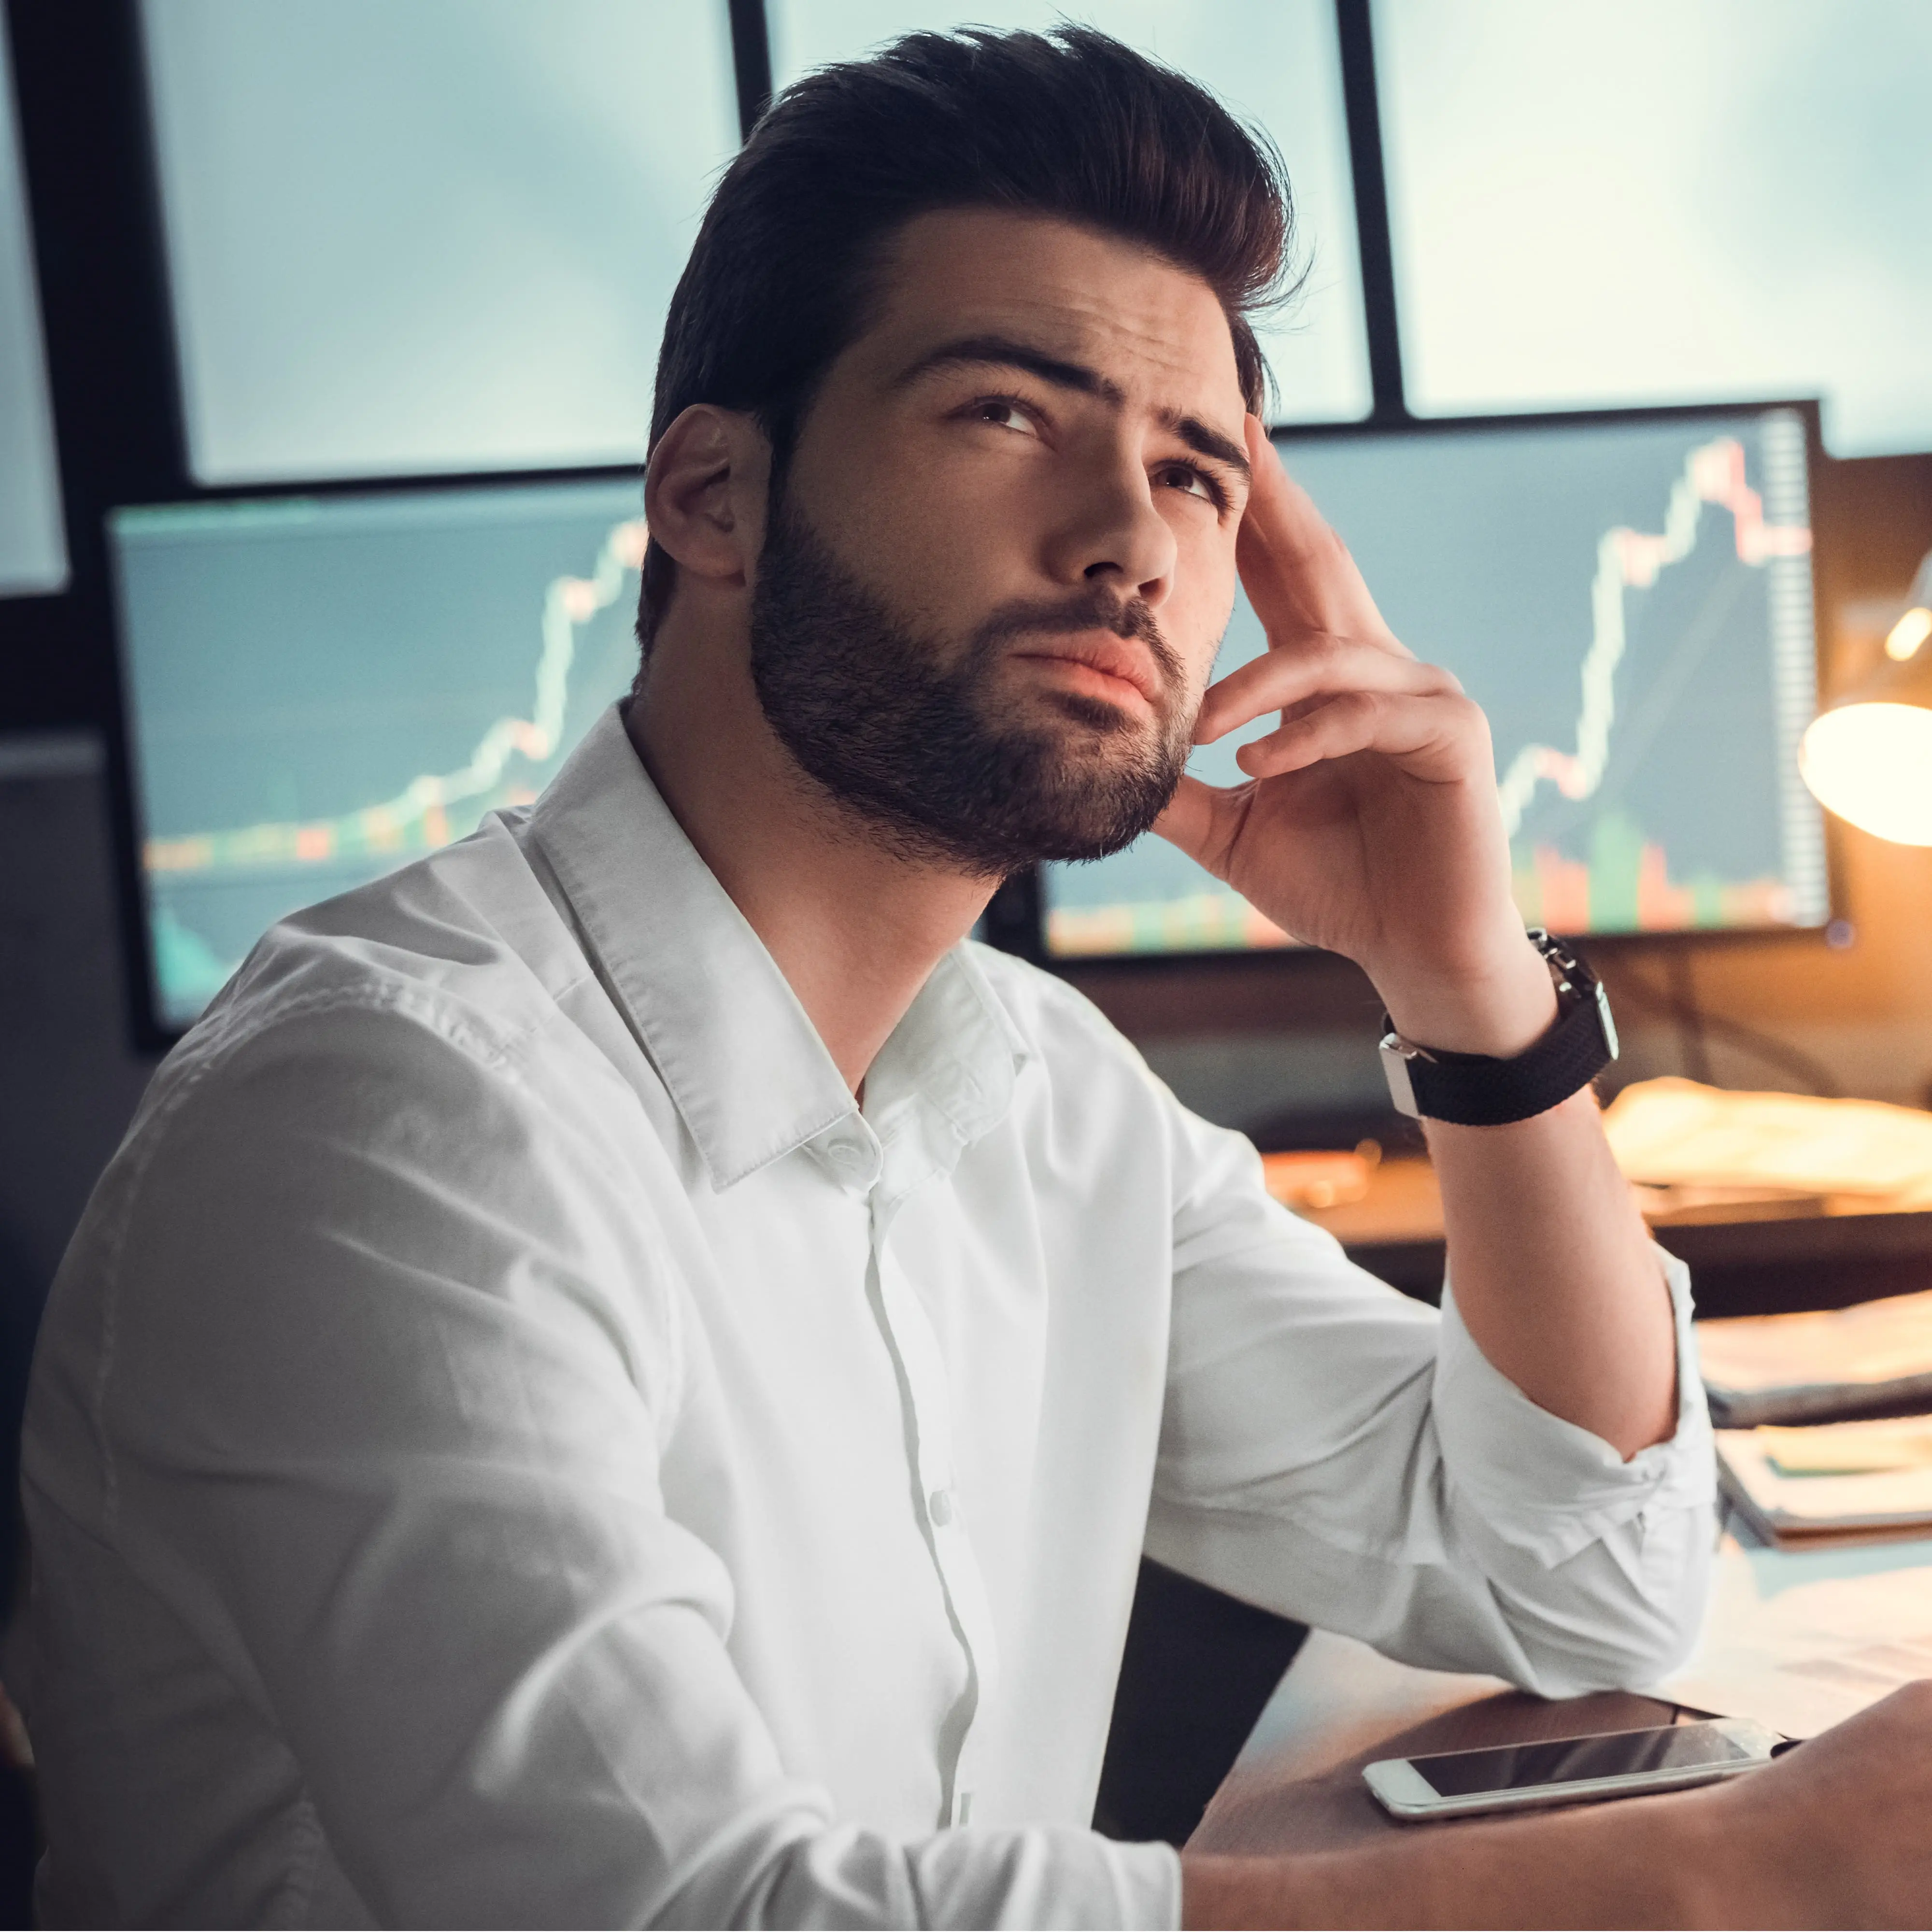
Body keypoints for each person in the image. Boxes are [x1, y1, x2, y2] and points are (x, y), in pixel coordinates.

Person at [17, 24, 1931, 1930]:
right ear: (713, 498)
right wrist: (1723, 1873)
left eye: (1194, 477)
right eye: (1009, 413)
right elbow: (693, 1914)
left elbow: (1576, 1577)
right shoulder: (390, 1119)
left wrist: (1465, 983)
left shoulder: (1046, 1095)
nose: (1128, 545)